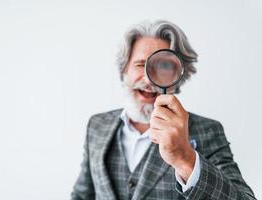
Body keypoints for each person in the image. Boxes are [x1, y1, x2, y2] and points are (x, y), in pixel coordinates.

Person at [71, 20, 256, 199]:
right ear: (124, 70)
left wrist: (186, 159)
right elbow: (81, 195)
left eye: (164, 66)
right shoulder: (97, 125)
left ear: (179, 77)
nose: (149, 79)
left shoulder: (208, 131)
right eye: (140, 64)